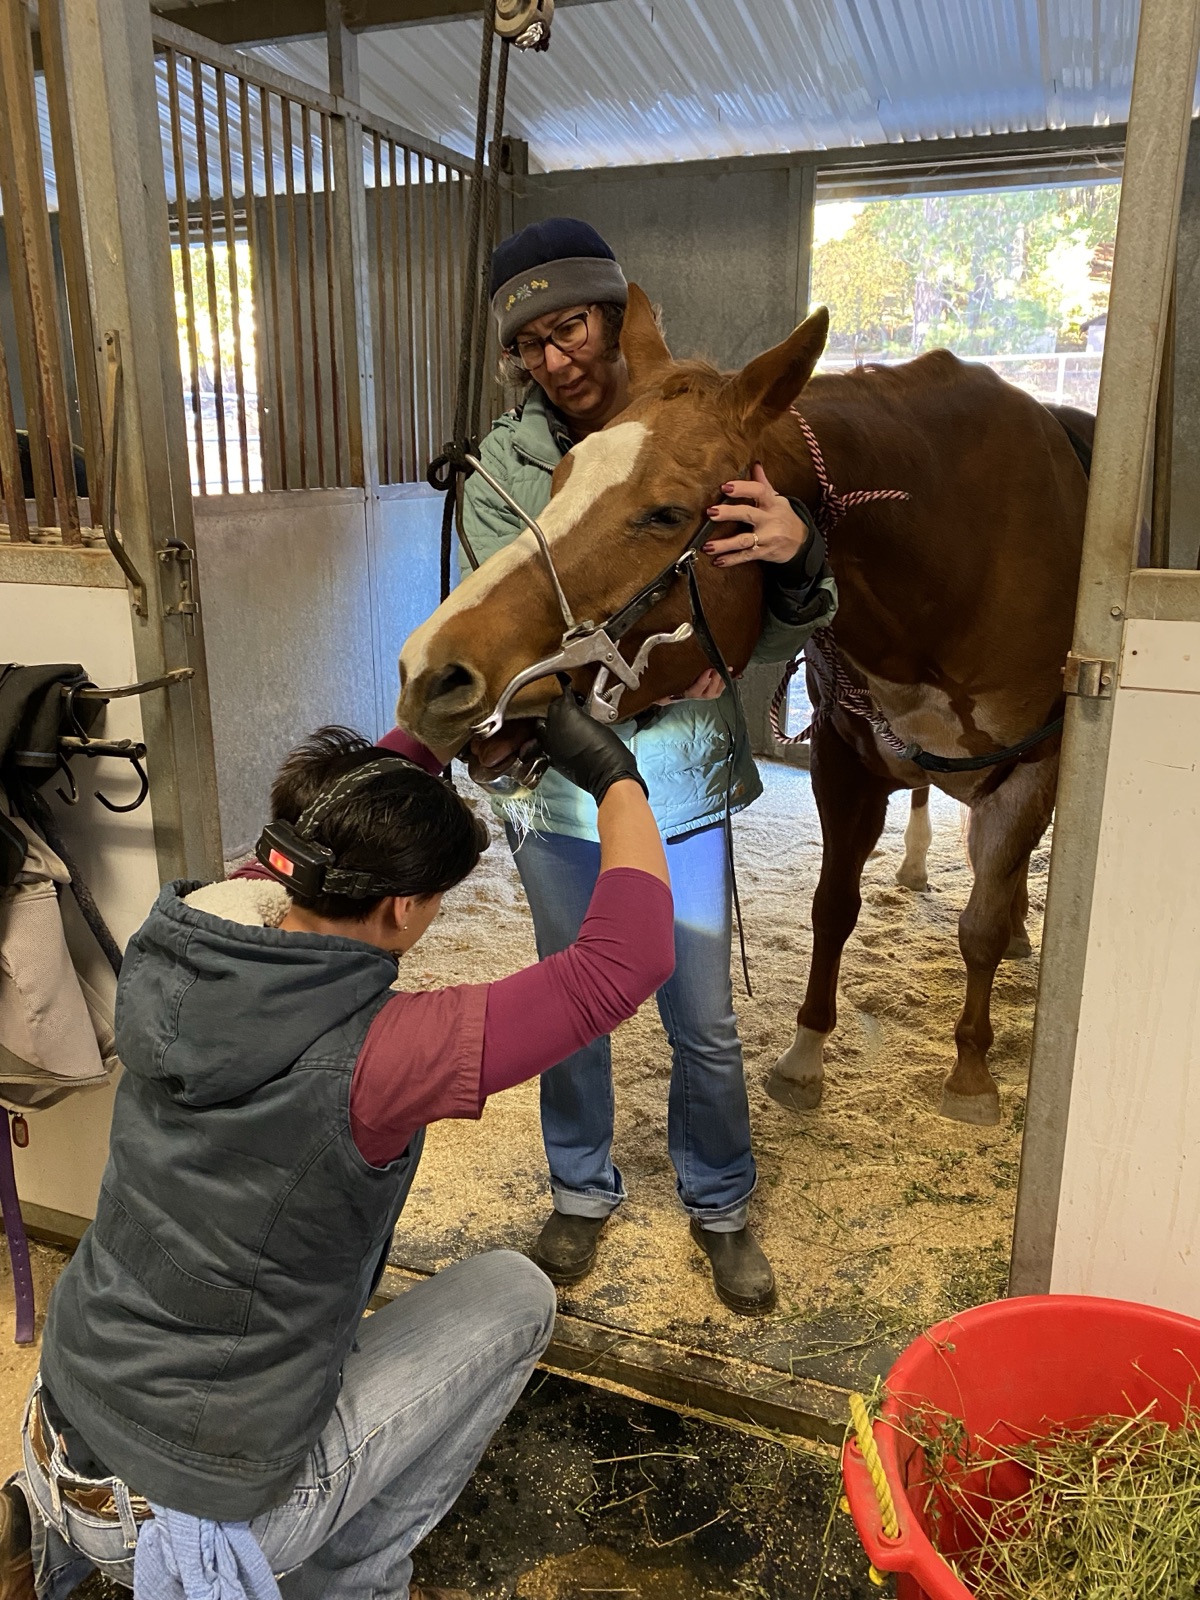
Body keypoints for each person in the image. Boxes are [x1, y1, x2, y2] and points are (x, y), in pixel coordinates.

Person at [2, 693, 674, 1600]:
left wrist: (434, 735)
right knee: (515, 1294)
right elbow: (621, 965)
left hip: (60, 1425)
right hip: (181, 1515)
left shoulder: (187, 930)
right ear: (402, 909)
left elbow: (302, 838)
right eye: (434, 901)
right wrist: (616, 777)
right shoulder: (378, 1056)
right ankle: (357, 1583)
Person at [462, 218, 838, 1316]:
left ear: (616, 314)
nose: (552, 357)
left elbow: (771, 619)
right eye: (526, 343)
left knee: (703, 1018)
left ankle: (720, 1201)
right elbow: (504, 625)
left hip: (674, 778)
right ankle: (581, 1187)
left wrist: (798, 554)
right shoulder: (503, 465)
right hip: (557, 784)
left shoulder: (705, 431)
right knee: (570, 1003)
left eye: (568, 324)